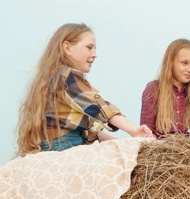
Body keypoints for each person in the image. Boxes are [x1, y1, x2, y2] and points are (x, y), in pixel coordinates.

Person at [16, 23, 153, 156]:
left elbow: (91, 130)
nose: (94, 54)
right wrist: (134, 131)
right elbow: (101, 107)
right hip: (66, 147)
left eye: (95, 49)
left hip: (54, 146)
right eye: (89, 47)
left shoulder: (53, 79)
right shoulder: (68, 77)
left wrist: (124, 145)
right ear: (68, 48)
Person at [140, 39, 190, 143]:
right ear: (170, 62)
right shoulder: (154, 89)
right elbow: (146, 132)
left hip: (184, 153)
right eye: (184, 63)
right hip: (158, 151)